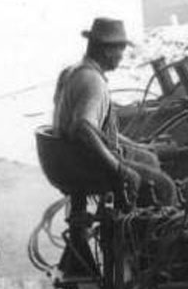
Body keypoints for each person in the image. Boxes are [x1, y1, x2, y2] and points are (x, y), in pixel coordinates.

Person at [53, 17, 178, 207]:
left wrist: (138, 146)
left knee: (149, 158)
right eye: (120, 49)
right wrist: (120, 169)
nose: (121, 56)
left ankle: (128, 215)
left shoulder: (72, 71)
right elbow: (83, 129)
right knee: (165, 187)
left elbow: (96, 129)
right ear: (107, 49)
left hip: (66, 158)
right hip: (83, 162)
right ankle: (137, 231)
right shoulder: (93, 82)